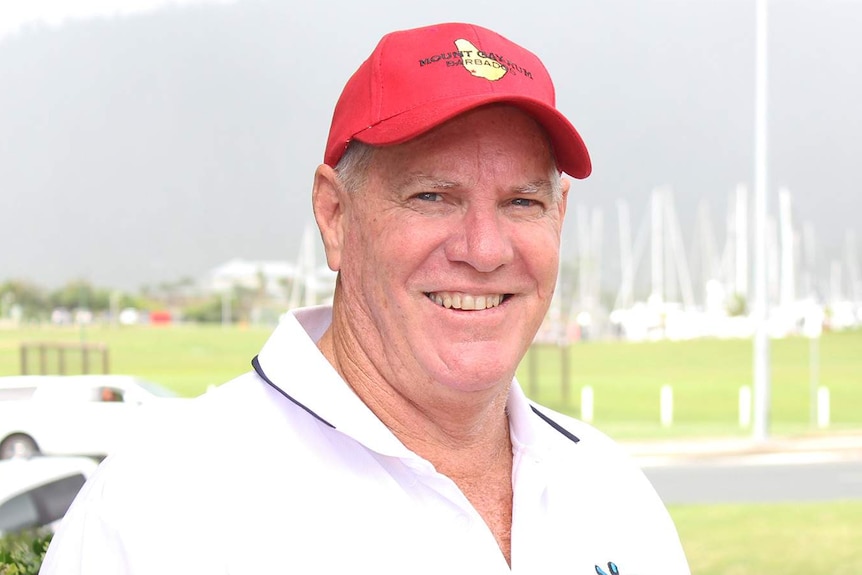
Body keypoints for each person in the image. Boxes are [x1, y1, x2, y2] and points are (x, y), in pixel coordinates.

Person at [40, 22, 690, 574]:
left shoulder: (612, 491)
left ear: (560, 215)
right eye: (432, 195)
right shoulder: (160, 508)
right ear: (335, 215)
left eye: (522, 201)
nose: (486, 248)